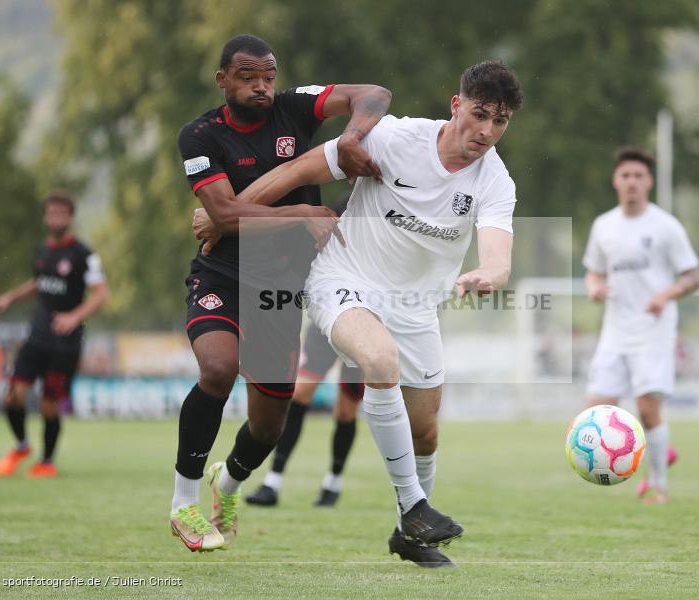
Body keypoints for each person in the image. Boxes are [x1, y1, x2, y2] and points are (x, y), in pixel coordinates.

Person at [195, 60, 523, 568]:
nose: (486, 131)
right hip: (343, 279)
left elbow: (499, 254)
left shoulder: (495, 180)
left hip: (415, 307)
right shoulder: (392, 138)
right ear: (456, 106)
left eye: (499, 122)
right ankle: (414, 508)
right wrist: (225, 214)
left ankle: (405, 536)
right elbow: (294, 170)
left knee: (426, 432)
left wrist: (489, 273)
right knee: (379, 359)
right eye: (479, 115)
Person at [171, 33, 391, 552]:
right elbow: (222, 217)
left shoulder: (293, 109)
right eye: (248, 76)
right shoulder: (199, 135)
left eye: (268, 75)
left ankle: (225, 485)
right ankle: (182, 503)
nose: (261, 86)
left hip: (282, 290)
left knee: (269, 426)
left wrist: (353, 136)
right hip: (222, 276)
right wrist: (300, 212)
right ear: (223, 79)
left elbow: (375, 94)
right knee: (219, 369)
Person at [582, 147, 699, 505]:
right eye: (625, 176)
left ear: (648, 181)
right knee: (597, 411)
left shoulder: (666, 226)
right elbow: (594, 270)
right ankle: (653, 451)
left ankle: (658, 486)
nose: (632, 182)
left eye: (638, 176)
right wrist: (593, 289)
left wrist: (666, 295)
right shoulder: (603, 225)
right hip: (615, 330)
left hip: (653, 329)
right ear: (616, 181)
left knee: (648, 410)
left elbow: (693, 276)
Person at [0, 191, 109, 478]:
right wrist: (8, 298)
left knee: (49, 403)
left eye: (60, 213)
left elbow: (101, 294)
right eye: (51, 213)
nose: (55, 218)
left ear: (70, 217)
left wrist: (74, 316)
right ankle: (21, 445)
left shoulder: (84, 255)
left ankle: (46, 461)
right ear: (45, 217)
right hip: (37, 336)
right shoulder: (43, 250)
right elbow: (38, 283)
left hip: (65, 345)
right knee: (13, 395)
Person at [246, 320, 364, 508]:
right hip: (325, 323)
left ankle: (333, 483)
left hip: (362, 329)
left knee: (345, 411)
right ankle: (272, 483)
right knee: (299, 393)